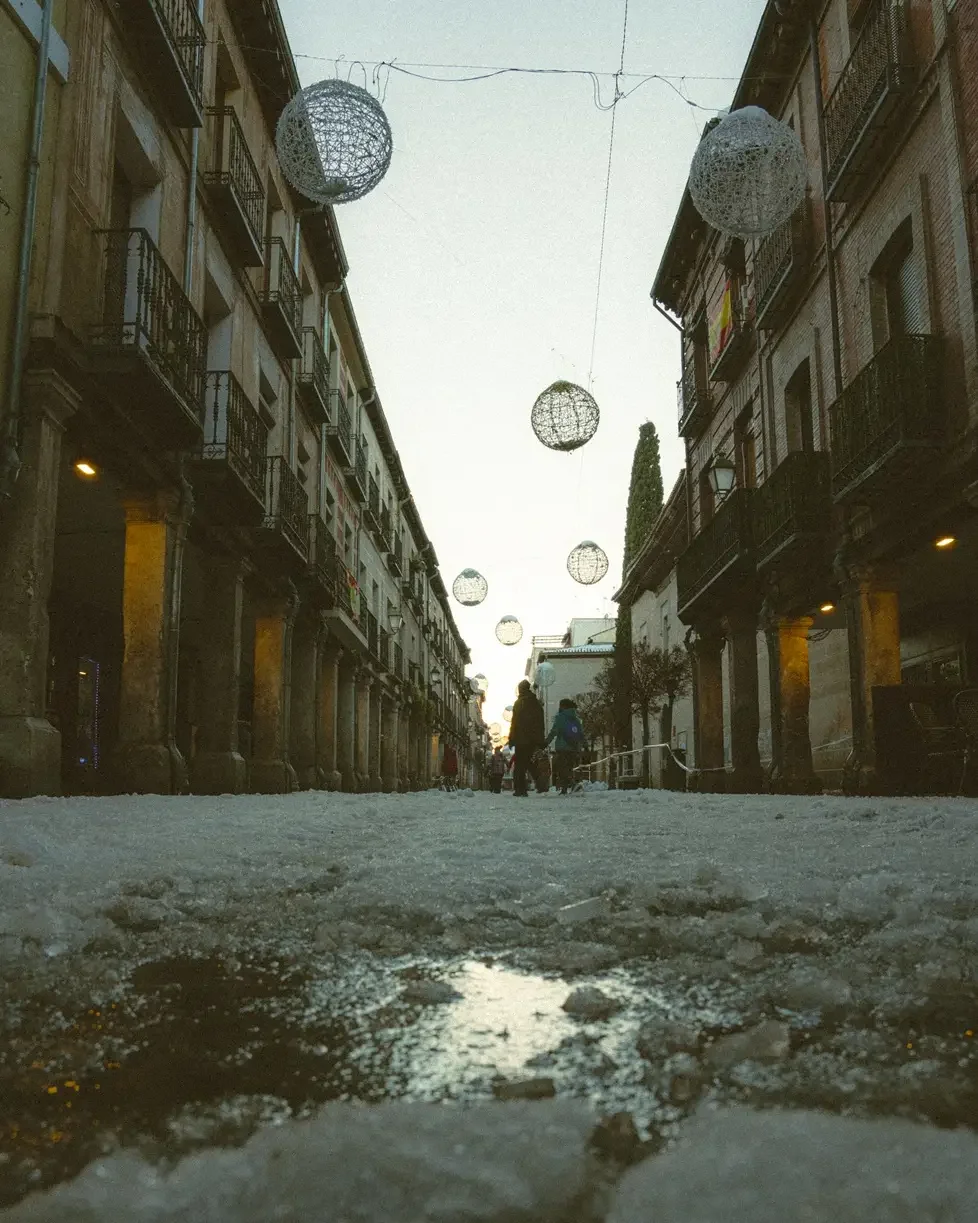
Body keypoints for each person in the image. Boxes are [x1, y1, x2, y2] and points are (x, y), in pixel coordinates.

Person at [508, 679, 546, 797]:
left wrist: (511, 738)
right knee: (528, 762)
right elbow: (540, 722)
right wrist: (540, 738)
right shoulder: (536, 703)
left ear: (521, 689)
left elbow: (515, 722)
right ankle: (540, 782)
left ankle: (521, 789)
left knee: (520, 764)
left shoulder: (519, 703)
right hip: (532, 738)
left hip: (521, 738)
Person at [545, 697, 586, 795]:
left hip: (562, 747)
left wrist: (545, 743)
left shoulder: (560, 717)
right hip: (574, 747)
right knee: (568, 767)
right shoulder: (576, 718)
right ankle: (564, 789)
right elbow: (580, 733)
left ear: (563, 706)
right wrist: (585, 745)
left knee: (562, 768)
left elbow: (554, 731)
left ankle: (573, 784)